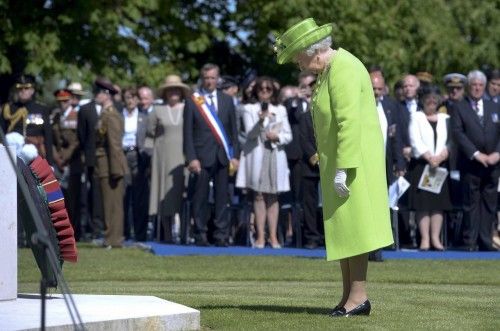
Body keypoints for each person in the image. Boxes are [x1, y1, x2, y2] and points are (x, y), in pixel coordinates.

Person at [275, 18, 393, 316]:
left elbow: (348, 122)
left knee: (356, 230)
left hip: (353, 164)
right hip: (339, 163)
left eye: (297, 57)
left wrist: (344, 167)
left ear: (313, 51)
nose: (297, 65)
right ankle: (348, 297)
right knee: (344, 231)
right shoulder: (329, 71)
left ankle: (359, 297)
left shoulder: (344, 68)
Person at [183, 63, 239, 247]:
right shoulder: (193, 101)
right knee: (200, 198)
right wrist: (191, 157)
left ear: (218, 79)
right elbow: (187, 134)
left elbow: (233, 132)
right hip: (201, 157)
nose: (209, 81)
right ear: (202, 79)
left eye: (212, 78)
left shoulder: (227, 100)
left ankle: (221, 236)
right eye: (206, 78)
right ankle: (200, 235)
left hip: (223, 156)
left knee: (222, 198)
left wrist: (235, 155)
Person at [236, 76, 292, 249]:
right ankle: (260, 236)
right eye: (261, 89)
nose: (265, 92)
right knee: (259, 195)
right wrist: (261, 121)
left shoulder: (280, 109)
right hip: (256, 155)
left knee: (273, 196)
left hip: (274, 154)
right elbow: (250, 135)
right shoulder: (248, 108)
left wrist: (278, 137)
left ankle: (274, 236)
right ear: (256, 91)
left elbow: (288, 135)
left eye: (268, 89)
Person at [451, 70, 500, 251]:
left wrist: (497, 154)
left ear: (484, 86)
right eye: (474, 85)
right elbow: (457, 133)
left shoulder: (494, 106)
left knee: (489, 203)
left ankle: (485, 240)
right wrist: (476, 154)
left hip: (493, 164)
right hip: (471, 163)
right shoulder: (459, 107)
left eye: (480, 85)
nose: (477, 88)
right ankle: (469, 241)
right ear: (468, 87)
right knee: (470, 203)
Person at [408, 86, 452, 251]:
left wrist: (440, 157)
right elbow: (414, 140)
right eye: (428, 99)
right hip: (422, 165)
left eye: (434, 99)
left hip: (440, 166)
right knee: (423, 205)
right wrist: (429, 157)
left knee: (438, 204)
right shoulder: (416, 117)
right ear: (422, 100)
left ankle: (436, 239)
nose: (431, 102)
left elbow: (451, 141)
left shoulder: (445, 118)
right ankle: (425, 239)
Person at [147, 75, 191, 242]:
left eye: (176, 89)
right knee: (164, 194)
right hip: (163, 157)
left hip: (184, 157)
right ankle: (166, 234)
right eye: (170, 90)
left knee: (183, 193)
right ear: (165, 93)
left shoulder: (188, 108)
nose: (173, 92)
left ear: (181, 92)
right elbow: (150, 133)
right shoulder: (157, 110)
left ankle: (184, 233)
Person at [93, 78, 128, 248]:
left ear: (106, 95)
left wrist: (116, 169)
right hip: (106, 163)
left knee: (112, 204)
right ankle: (111, 238)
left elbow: (114, 145)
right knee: (109, 203)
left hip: (110, 164)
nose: (95, 95)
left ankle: (113, 239)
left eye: (98, 92)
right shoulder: (105, 114)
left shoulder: (111, 115)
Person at [51, 88, 83, 240]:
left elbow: (77, 140)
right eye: (59, 102)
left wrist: (65, 157)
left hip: (73, 161)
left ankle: (74, 231)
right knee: (59, 198)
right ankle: (61, 231)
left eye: (65, 101)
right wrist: (57, 158)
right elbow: (51, 139)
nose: (62, 104)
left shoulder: (77, 116)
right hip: (59, 163)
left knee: (73, 198)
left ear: (70, 100)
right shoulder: (56, 116)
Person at [1, 74, 54, 165]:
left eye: (26, 88)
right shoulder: (8, 108)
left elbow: (48, 137)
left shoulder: (41, 109)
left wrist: (50, 162)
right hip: (11, 155)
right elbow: (2, 134)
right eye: (20, 89)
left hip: (36, 155)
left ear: (32, 90)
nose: (23, 91)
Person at [121, 87, 149, 242]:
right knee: (124, 195)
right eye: (127, 97)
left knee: (139, 197)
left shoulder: (145, 117)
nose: (130, 100)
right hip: (123, 155)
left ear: (137, 100)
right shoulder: (119, 116)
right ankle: (124, 232)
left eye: (133, 97)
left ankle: (140, 234)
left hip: (139, 156)